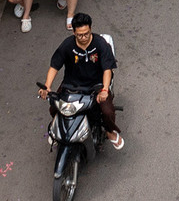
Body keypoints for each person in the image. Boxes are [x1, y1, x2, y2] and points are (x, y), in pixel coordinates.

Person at [40, 13, 122, 149]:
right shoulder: (67, 45)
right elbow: (55, 66)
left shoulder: (100, 44)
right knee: (54, 108)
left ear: (90, 29)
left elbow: (107, 70)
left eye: (86, 34)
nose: (84, 38)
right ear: (74, 32)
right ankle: (59, 129)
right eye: (80, 35)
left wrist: (104, 90)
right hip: (71, 85)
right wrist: (47, 86)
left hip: (96, 86)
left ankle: (109, 131)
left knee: (107, 112)